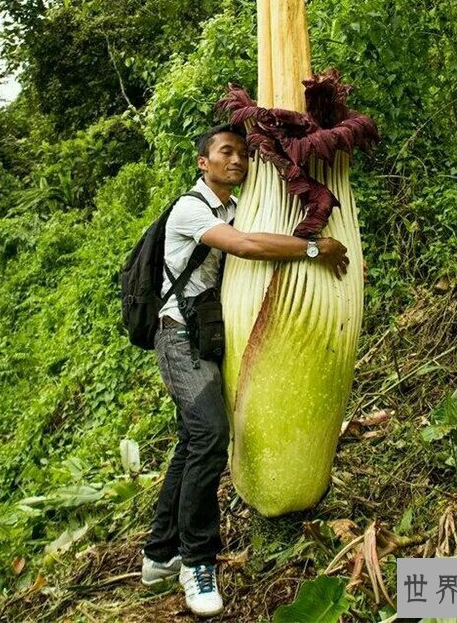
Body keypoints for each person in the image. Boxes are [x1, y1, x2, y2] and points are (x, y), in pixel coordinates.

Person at [141, 123, 348, 617]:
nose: (237, 161)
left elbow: (256, 234)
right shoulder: (191, 210)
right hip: (177, 337)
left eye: (243, 153)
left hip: (212, 334)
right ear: (203, 163)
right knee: (211, 435)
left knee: (192, 442)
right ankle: (197, 562)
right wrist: (317, 249)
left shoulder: (237, 206)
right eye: (226, 152)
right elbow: (249, 247)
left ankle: (158, 554)